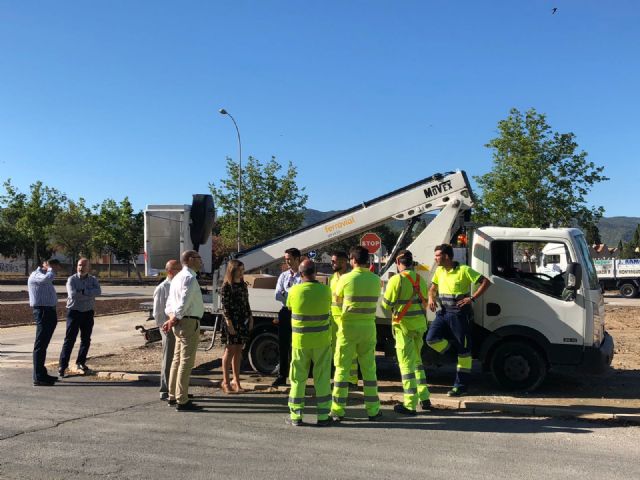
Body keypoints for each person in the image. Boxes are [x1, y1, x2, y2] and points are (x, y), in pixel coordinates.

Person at [426, 243, 491, 396]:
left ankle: (460, 387)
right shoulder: (439, 271)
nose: (435, 259)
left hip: (460, 314)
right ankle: (453, 353)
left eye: (437, 255)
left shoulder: (464, 270)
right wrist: (430, 298)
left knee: (464, 352)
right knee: (431, 339)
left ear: (446, 256)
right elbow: (432, 288)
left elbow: (486, 282)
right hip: (443, 313)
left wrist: (472, 298)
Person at [330, 246, 382, 422]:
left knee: (342, 369)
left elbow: (336, 302)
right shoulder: (376, 280)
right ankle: (373, 410)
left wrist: (340, 321)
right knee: (369, 370)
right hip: (368, 328)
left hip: (348, 328)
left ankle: (337, 410)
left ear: (352, 260)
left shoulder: (345, 279)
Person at [381, 250, 431, 415]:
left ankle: (410, 404)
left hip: (404, 328)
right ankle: (424, 398)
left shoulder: (397, 279)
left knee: (406, 366)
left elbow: (386, 305)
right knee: (417, 361)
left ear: (398, 263)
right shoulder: (420, 279)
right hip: (419, 326)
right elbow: (424, 301)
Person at [285, 260, 333, 426]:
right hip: (321, 341)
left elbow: (289, 307)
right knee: (322, 377)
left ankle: (296, 415)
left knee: (298, 379)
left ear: (300, 274)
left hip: (300, 341)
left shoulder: (294, 291)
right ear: (315, 272)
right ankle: (323, 416)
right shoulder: (326, 291)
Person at [162, 250, 205, 411]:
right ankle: (182, 399)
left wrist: (172, 318)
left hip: (179, 322)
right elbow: (184, 303)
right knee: (186, 362)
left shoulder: (177, 277)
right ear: (190, 259)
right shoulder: (189, 278)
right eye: (199, 258)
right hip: (187, 322)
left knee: (177, 360)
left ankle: (173, 395)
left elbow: (170, 304)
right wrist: (174, 318)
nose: (201, 261)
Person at [58, 258, 101, 377]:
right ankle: (62, 365)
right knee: (70, 339)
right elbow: (72, 295)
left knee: (86, 339)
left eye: (83, 265)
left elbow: (98, 292)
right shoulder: (72, 279)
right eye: (79, 265)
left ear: (88, 267)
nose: (80, 267)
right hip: (74, 312)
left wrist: (82, 291)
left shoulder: (93, 279)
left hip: (88, 313)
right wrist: (88, 293)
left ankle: (81, 362)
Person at [220, 259, 254, 394]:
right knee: (229, 350)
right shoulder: (227, 286)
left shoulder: (243, 285)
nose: (242, 272)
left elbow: (246, 302)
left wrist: (250, 317)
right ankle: (226, 382)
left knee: (239, 351)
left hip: (243, 320)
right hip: (232, 321)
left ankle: (237, 381)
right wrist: (229, 323)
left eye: (243, 270)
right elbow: (225, 306)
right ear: (233, 270)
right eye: (240, 270)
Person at [28, 258, 62, 386]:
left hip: (49, 311)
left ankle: (42, 373)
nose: (55, 269)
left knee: (44, 345)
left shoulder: (45, 275)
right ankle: (38, 377)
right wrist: (50, 268)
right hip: (42, 312)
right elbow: (47, 279)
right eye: (54, 266)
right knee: (40, 345)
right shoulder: (36, 275)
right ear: (44, 264)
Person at [271, 247, 302, 387]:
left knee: (298, 346)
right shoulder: (283, 276)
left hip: (299, 313)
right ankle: (282, 376)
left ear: (297, 259)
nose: (287, 262)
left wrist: (287, 294)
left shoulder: (303, 276)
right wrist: (291, 295)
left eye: (290, 259)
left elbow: (302, 296)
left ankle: (298, 377)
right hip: (285, 312)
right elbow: (277, 294)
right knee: (283, 345)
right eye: (286, 259)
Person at [152, 259, 181, 401]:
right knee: (168, 359)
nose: (180, 271)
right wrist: (165, 327)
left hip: (180, 328)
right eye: (177, 269)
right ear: (169, 271)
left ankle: (177, 389)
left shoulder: (179, 285)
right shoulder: (162, 288)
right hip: (168, 329)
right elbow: (157, 313)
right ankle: (165, 389)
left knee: (179, 360)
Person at [328, 251, 358, 386]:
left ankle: (352, 380)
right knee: (336, 351)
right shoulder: (333, 278)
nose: (332, 263)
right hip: (334, 319)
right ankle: (339, 378)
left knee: (350, 352)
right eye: (332, 261)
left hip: (346, 319)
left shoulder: (350, 277)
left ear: (343, 262)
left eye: (334, 261)